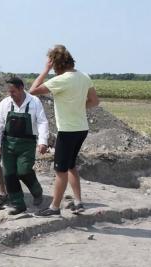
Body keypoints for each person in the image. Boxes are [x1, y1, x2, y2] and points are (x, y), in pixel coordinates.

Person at [29, 44, 99, 217]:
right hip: (82, 128)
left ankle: (54, 207)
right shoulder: (84, 76)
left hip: (67, 131)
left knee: (60, 170)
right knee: (71, 166)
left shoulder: (61, 80)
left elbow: (32, 91)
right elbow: (94, 101)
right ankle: (78, 202)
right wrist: (79, 108)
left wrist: (44, 70)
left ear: (56, 65)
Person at [0, 77, 49, 215]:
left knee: (23, 171)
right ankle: (18, 204)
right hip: (8, 143)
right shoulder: (5, 104)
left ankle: (37, 191)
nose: (11, 94)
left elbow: (42, 122)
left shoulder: (34, 102)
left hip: (27, 144)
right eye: (9, 92)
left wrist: (43, 141)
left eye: (13, 91)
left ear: (21, 88)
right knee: (9, 174)